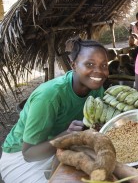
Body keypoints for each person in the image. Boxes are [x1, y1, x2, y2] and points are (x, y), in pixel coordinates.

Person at [0, 38, 109, 182]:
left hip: (62, 148)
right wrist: (67, 136)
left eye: (104, 65)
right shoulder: (49, 96)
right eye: (90, 64)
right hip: (22, 159)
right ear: (74, 65)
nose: (99, 72)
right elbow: (29, 153)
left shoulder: (96, 88)